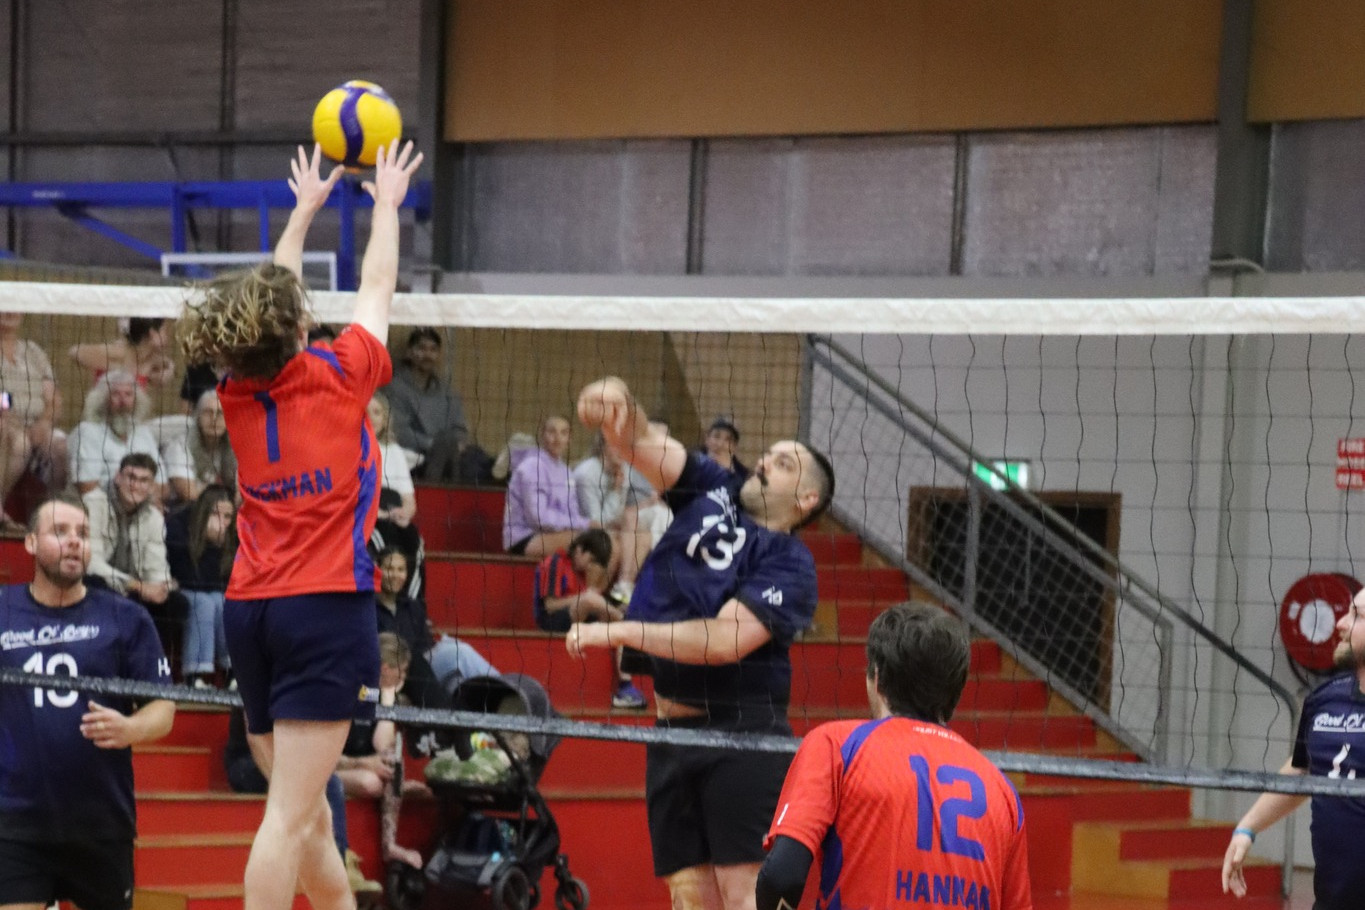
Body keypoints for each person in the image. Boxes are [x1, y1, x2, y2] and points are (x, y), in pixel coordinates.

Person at [177, 139, 422, 910]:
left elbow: (273, 294)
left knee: (309, 811)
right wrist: (384, 204)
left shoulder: (238, 394)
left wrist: (303, 211)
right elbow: (378, 283)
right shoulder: (342, 372)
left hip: (250, 610)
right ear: (297, 325)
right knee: (286, 816)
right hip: (323, 608)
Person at [567, 375, 835, 910]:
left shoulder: (790, 563)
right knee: (690, 901)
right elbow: (639, 442)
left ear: (806, 498)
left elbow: (721, 641)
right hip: (671, 735)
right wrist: (619, 398)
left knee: (746, 902)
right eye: (768, 454)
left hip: (741, 740)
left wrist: (619, 629)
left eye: (784, 462)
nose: (763, 461)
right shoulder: (713, 487)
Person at [757, 601, 1032, 910]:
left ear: (878, 677)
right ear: (955, 691)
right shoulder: (1002, 791)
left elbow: (781, 877)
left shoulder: (837, 745)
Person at [0, 492, 175, 910]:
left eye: (82, 533)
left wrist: (131, 728)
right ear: (29, 543)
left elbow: (164, 707)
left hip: (100, 821)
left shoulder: (124, 617)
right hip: (17, 822)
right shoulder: (4, 610)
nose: (75, 542)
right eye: (60, 532)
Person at [1221, 586, 1365, 909]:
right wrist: (1248, 828)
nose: (1340, 623)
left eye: (1356, 615)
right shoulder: (1326, 698)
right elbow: (1303, 768)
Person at [222, 708, 382, 897]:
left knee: (331, 782)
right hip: (248, 762)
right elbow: (257, 741)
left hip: (289, 759)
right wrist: (288, 783)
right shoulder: (259, 683)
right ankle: (338, 865)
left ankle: (339, 862)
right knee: (328, 784)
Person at [334, 633, 429, 870]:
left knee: (390, 759)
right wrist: (367, 764)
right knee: (371, 783)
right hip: (326, 764)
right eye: (403, 670)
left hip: (359, 761)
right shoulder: (346, 689)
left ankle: (390, 844)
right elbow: (326, 755)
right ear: (386, 668)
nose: (405, 677)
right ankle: (394, 789)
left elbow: (382, 745)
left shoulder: (376, 694)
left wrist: (388, 698)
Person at [83, 453, 181, 665]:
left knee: (176, 603)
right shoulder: (94, 503)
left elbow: (155, 567)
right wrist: (137, 585)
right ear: (118, 477)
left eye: (144, 480)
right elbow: (91, 563)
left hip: (132, 590)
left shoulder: (154, 517)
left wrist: (162, 586)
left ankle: (154, 671)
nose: (136, 485)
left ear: (152, 486)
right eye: (131, 477)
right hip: (98, 583)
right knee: (97, 585)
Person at [533, 528, 645, 709]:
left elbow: (592, 599)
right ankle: (626, 620)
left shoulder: (583, 570)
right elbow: (550, 606)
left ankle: (625, 686)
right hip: (552, 620)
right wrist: (585, 597)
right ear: (579, 550)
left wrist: (593, 596)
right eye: (590, 560)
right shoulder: (554, 562)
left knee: (616, 624)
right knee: (593, 601)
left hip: (580, 616)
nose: (589, 566)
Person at [573, 430, 672, 599]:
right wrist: (617, 491)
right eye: (616, 447)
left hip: (609, 528)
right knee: (627, 526)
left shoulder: (623, 470)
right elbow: (597, 520)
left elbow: (619, 513)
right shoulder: (586, 474)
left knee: (645, 535)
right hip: (585, 531)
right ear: (603, 446)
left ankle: (623, 587)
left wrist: (649, 502)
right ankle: (614, 589)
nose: (622, 452)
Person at [0, 312, 67, 525]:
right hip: (7, 420)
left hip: (38, 423)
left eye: (14, 308)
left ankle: (47, 515)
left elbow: (53, 398)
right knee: (20, 444)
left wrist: (44, 422)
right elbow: (3, 397)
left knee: (59, 446)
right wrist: (11, 417)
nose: (9, 313)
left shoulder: (33, 351)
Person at [166, 484, 235, 688]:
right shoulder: (178, 525)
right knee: (204, 602)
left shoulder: (234, 536)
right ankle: (194, 675)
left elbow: (224, 582)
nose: (221, 523)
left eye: (227, 517)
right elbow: (189, 576)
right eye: (214, 514)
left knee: (224, 602)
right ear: (202, 512)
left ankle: (233, 673)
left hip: (211, 593)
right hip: (180, 591)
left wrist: (217, 546)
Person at [384, 327, 474, 481]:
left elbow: (460, 429)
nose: (427, 354)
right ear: (409, 352)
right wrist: (435, 445)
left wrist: (450, 446)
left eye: (433, 349)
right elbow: (399, 431)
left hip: (449, 456)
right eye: (421, 348)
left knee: (476, 461)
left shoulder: (448, 392)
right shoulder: (395, 388)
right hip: (411, 456)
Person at [503, 414, 593, 557]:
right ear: (542, 435)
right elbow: (539, 518)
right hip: (524, 538)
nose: (557, 439)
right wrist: (585, 524)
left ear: (569, 439)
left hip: (554, 534)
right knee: (592, 542)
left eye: (563, 433)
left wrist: (583, 524)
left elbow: (572, 512)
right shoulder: (532, 466)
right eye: (552, 432)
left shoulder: (567, 472)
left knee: (602, 541)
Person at [68, 370, 166, 498]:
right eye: (116, 394)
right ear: (102, 401)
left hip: (142, 507)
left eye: (128, 394)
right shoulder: (88, 432)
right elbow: (86, 487)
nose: (123, 401)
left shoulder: (144, 433)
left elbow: (163, 486)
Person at [367, 391, 424, 599]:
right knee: (384, 545)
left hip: (393, 513)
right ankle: (380, 603)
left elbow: (410, 501)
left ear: (386, 417)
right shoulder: (350, 446)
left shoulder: (395, 451)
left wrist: (403, 514)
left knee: (415, 543)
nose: (372, 417)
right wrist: (380, 515)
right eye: (366, 412)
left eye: (377, 412)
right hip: (369, 515)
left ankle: (412, 606)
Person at [164, 388, 237, 506]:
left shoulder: (234, 448)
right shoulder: (180, 446)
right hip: (184, 511)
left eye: (220, 413)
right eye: (208, 412)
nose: (214, 419)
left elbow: (243, 493)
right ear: (197, 417)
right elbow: (189, 494)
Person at [69, 316, 176, 390]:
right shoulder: (118, 351)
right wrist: (118, 369)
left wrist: (170, 368)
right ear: (152, 334)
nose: (168, 336)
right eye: (164, 331)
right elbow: (75, 351)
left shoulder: (153, 360)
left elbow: (162, 379)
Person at [699, 415, 749, 481]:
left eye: (728, 439)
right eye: (716, 436)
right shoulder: (691, 464)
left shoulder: (743, 476)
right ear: (707, 439)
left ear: (734, 447)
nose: (720, 444)